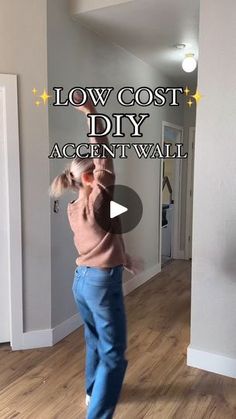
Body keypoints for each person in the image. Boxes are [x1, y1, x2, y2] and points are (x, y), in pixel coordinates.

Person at [49, 93, 142, 419]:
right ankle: (99, 414)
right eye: (97, 171)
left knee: (93, 341)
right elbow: (103, 155)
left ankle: (92, 392)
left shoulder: (75, 209)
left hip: (83, 282)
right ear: (90, 177)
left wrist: (124, 257)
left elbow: (106, 237)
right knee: (114, 353)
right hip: (101, 284)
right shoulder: (97, 198)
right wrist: (92, 112)